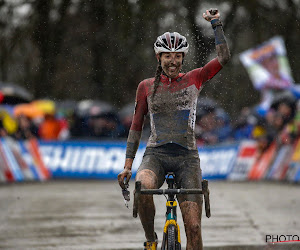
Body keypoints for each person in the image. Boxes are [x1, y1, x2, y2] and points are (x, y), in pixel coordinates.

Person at [118, 8, 230, 250]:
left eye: (177, 56)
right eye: (167, 56)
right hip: (156, 155)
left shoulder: (194, 78)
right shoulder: (146, 86)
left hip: (187, 158)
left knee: (194, 229)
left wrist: (216, 24)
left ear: (183, 58)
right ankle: (151, 239)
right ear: (158, 58)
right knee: (143, 189)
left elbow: (223, 59)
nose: (173, 61)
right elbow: (136, 126)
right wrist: (128, 165)